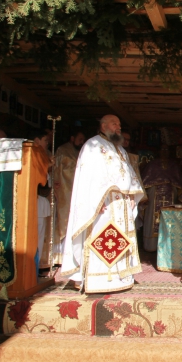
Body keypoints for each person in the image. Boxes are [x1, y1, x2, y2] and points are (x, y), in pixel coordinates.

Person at [61, 115, 144, 293]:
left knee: (120, 240)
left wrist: (131, 195)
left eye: (120, 124)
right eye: (115, 124)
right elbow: (88, 179)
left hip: (121, 204)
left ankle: (120, 277)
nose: (118, 127)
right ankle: (99, 280)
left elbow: (129, 174)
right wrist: (96, 201)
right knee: (103, 239)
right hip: (102, 204)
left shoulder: (119, 149)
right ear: (103, 125)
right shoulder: (93, 146)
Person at [141, 144, 182, 251]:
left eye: (167, 150)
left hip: (170, 193)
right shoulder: (152, 164)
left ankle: (167, 246)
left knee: (168, 217)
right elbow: (145, 181)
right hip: (154, 194)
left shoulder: (173, 165)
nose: (165, 152)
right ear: (159, 151)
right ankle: (151, 246)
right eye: (162, 149)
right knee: (152, 218)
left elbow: (178, 181)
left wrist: (171, 183)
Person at [53, 128, 86, 266]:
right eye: (79, 139)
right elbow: (56, 171)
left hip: (78, 190)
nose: (81, 142)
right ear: (72, 138)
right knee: (64, 220)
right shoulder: (62, 150)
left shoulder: (81, 152)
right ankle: (59, 256)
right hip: (65, 190)